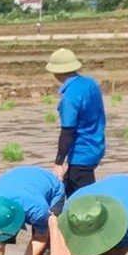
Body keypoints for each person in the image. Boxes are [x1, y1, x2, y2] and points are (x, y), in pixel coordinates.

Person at [45, 48, 106, 197]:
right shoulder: (90, 84)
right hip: (96, 146)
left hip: (82, 154)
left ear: (56, 73)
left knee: (85, 200)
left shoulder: (70, 98)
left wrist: (58, 163)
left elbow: (67, 131)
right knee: (68, 186)